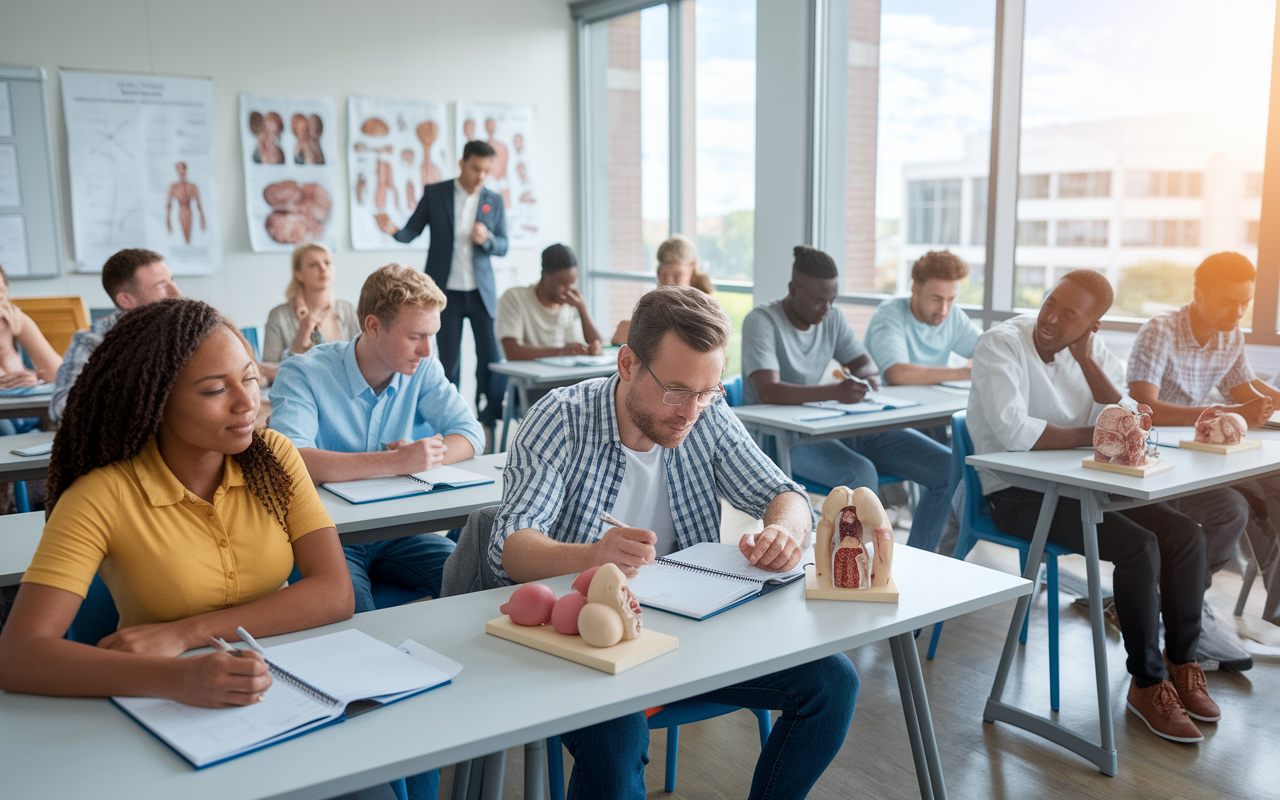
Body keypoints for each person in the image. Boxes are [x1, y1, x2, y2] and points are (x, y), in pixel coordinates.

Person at [491, 285, 857, 800]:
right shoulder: (562, 418)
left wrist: (784, 530)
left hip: (690, 634)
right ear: (627, 364)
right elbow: (511, 545)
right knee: (619, 741)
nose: (691, 411)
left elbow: (785, 492)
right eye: (677, 390)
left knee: (833, 685)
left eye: (706, 393)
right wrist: (593, 556)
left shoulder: (705, 412)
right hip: (584, 646)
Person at [0, 298, 353, 711]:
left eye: (251, 379)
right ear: (155, 401)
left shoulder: (274, 456)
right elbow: (18, 655)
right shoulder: (103, 493)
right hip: (165, 703)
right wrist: (176, 678)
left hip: (291, 678)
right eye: (215, 390)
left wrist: (185, 634)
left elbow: (335, 592)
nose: (246, 403)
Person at [969, 270, 1216, 744]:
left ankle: (1181, 663)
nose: (1052, 319)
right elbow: (1016, 435)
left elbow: (1135, 417)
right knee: (1139, 546)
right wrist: (1106, 436)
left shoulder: (1090, 350)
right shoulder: (1000, 344)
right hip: (1015, 493)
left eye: (1070, 315)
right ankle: (1146, 684)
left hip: (1082, 484)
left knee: (1185, 535)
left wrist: (1086, 362)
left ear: (1093, 325)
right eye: (1050, 303)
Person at [270, 264, 483, 615]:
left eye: (431, 335)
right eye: (416, 336)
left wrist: (428, 457)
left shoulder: (422, 367)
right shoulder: (303, 373)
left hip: (396, 529)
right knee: (356, 618)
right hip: (325, 537)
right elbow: (290, 460)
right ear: (372, 327)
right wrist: (395, 463)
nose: (428, 350)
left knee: (475, 582)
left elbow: (470, 432)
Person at [741, 246, 953, 553]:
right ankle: (854, 567)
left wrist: (865, 377)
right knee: (861, 475)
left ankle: (921, 557)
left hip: (836, 427)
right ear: (792, 290)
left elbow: (866, 365)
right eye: (818, 300)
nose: (826, 308)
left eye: (832, 300)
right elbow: (768, 390)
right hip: (784, 440)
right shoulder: (761, 321)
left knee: (946, 466)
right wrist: (835, 392)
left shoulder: (833, 318)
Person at [1128, 250, 1280, 668]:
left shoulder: (1230, 334)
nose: (1238, 312)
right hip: (1156, 457)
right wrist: (1220, 416)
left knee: (1255, 498)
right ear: (1198, 293)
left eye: (1244, 303)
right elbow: (1146, 409)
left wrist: (1253, 406)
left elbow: (1248, 391)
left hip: (1201, 454)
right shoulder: (1161, 331)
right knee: (1232, 510)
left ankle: (1181, 605)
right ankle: (1183, 612)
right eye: (1229, 302)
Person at [375, 140, 508, 435]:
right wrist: (394, 232)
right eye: (476, 168)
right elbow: (412, 230)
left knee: (492, 359)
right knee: (448, 361)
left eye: (487, 170)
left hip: (480, 292)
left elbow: (503, 245)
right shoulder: (436, 194)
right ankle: (449, 425)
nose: (481, 176)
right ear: (462, 164)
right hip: (442, 294)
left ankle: (487, 420)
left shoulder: (493, 200)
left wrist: (486, 239)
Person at [49, 248, 181, 422]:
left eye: (172, 280)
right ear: (126, 300)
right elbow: (61, 408)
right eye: (161, 285)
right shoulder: (93, 341)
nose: (175, 292)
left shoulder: (192, 332)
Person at [863, 250, 979, 385]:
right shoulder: (889, 314)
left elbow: (989, 349)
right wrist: (970, 372)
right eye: (936, 299)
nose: (944, 309)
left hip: (932, 402)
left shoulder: (954, 316)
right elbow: (897, 374)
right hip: (890, 402)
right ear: (915, 289)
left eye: (951, 299)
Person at [496, 243, 603, 360]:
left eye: (572, 283)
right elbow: (512, 352)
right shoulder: (514, 298)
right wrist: (564, 351)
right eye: (563, 284)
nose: (569, 291)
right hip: (530, 376)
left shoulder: (570, 304)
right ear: (544, 276)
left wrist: (583, 309)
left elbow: (599, 346)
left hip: (566, 375)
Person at [261, 243, 361, 365]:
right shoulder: (279, 316)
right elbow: (267, 368)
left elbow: (362, 357)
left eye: (328, 263)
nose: (323, 268)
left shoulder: (347, 308)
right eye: (314, 265)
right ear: (299, 274)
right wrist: (297, 346)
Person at [611, 234, 714, 345]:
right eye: (663, 275)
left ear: (692, 267)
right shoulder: (655, 303)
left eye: (676, 276)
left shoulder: (706, 308)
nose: (668, 284)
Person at [0, 263, 62, 437]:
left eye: (2, 291)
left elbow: (61, 375)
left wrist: (37, 379)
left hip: (32, 424)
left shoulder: (16, 319)